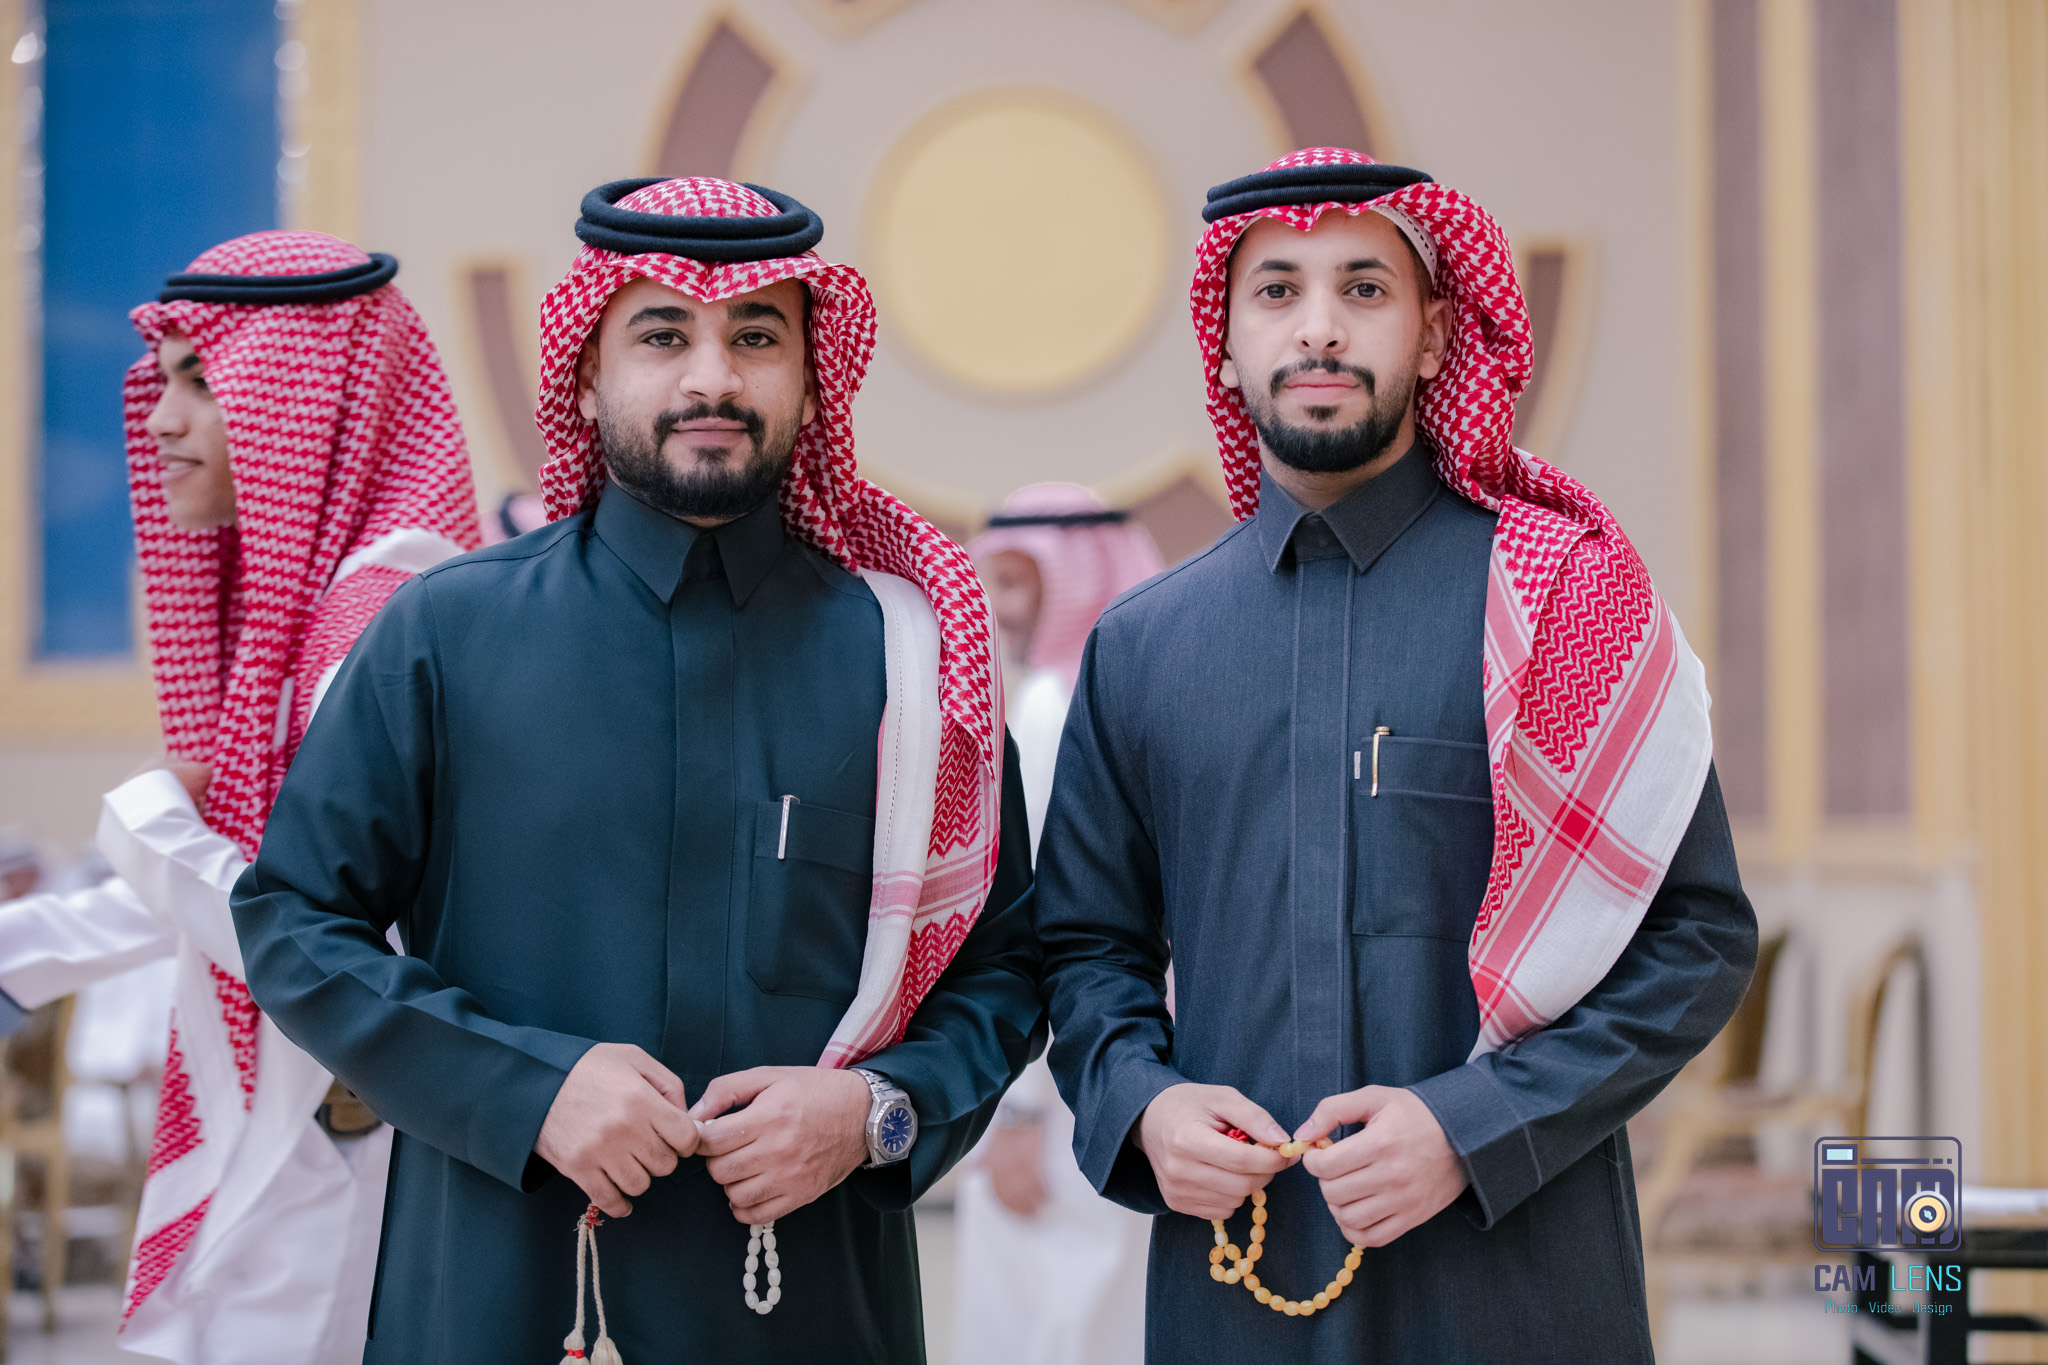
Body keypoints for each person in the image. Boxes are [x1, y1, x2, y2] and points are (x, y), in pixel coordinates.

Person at [230, 177, 1039, 1365]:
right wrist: (525, 1090)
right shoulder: (445, 634)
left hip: (809, 1314)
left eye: (755, 338)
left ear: (812, 377)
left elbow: (1005, 968)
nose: (712, 379)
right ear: (585, 374)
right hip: (497, 1300)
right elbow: (295, 921)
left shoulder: (906, 660)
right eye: (662, 336)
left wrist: (875, 1111)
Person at [1033, 148, 1758, 1362]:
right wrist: (1142, 1104)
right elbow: (1080, 949)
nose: (1317, 327)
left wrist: (1474, 1125)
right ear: (1224, 344)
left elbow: (1694, 937)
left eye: (1362, 289)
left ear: (1432, 337)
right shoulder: (1144, 646)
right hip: (1240, 1287)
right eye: (1276, 291)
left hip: (1516, 1283)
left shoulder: (1564, 603)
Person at [0, 231, 479, 1364]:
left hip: (349, 1152)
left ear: (311, 403)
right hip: (304, 1146)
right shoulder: (331, 606)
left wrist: (146, 822)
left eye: (202, 381)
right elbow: (246, 876)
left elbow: (305, 931)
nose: (161, 421)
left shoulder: (389, 613)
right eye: (163, 380)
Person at [955, 486, 1161, 1365]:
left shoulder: (1049, 706)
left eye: (1016, 583)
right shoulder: (1140, 698)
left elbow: (1045, 925)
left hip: (1055, 1091)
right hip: (1134, 1072)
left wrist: (1015, 1114)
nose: (1000, 608)